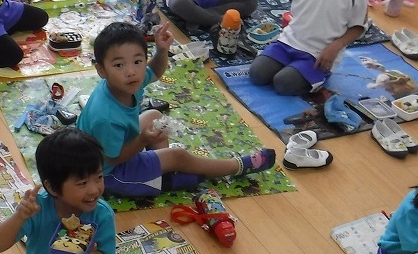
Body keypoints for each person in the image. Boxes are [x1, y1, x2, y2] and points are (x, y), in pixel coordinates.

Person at [77, 21, 275, 197]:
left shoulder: (124, 81)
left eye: (137, 61)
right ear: (101, 70)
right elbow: (114, 158)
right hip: (108, 173)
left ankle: (165, 174)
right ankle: (237, 166)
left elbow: (155, 72)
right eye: (119, 65)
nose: (131, 71)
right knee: (178, 155)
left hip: (114, 148)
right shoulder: (105, 117)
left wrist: (162, 51)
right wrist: (143, 140)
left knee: (154, 116)